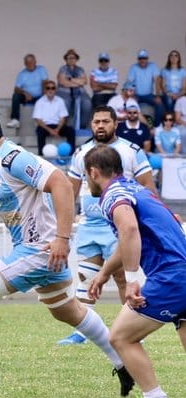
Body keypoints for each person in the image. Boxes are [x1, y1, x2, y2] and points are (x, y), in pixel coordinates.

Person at [0, 108, 133, 396]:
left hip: (39, 250)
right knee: (68, 311)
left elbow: (60, 183)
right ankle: (124, 363)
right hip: (38, 251)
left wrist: (61, 237)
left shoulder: (13, 158)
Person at [85, 145, 185, 398]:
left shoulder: (112, 195)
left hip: (171, 275)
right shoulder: (137, 189)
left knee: (120, 337)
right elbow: (130, 237)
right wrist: (104, 273)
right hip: (182, 272)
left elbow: (128, 229)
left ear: (93, 172)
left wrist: (130, 282)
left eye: (86, 176)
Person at [57, 105, 155, 346]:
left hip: (119, 226)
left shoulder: (131, 151)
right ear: (91, 125)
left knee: (123, 279)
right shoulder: (81, 153)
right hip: (90, 226)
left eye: (105, 121)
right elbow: (70, 193)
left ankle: (131, 330)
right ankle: (82, 332)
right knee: (85, 277)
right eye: (96, 122)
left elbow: (148, 189)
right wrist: (64, 228)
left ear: (115, 124)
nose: (100, 126)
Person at [32, 80, 75, 155]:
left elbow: (63, 118)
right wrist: (50, 130)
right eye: (48, 88)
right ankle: (41, 155)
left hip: (58, 126)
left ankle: (72, 154)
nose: (50, 90)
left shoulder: (60, 101)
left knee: (71, 131)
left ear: (55, 90)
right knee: (40, 132)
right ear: (45, 90)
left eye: (53, 88)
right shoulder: (39, 102)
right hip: (45, 126)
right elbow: (38, 120)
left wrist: (57, 129)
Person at [7, 54, 49, 129]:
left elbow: (45, 82)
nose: (29, 64)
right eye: (27, 62)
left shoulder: (41, 69)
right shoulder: (22, 74)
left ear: (35, 62)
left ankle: (44, 121)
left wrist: (43, 95)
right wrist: (25, 93)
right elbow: (16, 88)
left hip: (40, 95)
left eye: (31, 62)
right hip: (27, 97)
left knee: (46, 96)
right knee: (16, 96)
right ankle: (15, 120)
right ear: (25, 64)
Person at [56, 48, 91, 129]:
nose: (72, 60)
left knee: (87, 102)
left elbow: (84, 81)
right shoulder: (63, 69)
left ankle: (82, 126)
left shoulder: (80, 69)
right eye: (69, 58)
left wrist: (70, 79)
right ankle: (63, 126)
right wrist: (77, 83)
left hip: (80, 92)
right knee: (65, 102)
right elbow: (62, 82)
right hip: (64, 92)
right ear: (66, 60)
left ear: (76, 59)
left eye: (73, 58)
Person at [127, 49, 163, 125]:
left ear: (147, 59)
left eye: (144, 58)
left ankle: (156, 126)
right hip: (137, 95)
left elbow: (157, 81)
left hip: (149, 95)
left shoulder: (153, 66)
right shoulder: (134, 67)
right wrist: (132, 95)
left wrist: (157, 95)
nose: (142, 60)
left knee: (160, 104)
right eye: (140, 58)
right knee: (128, 104)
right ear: (138, 59)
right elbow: (130, 82)